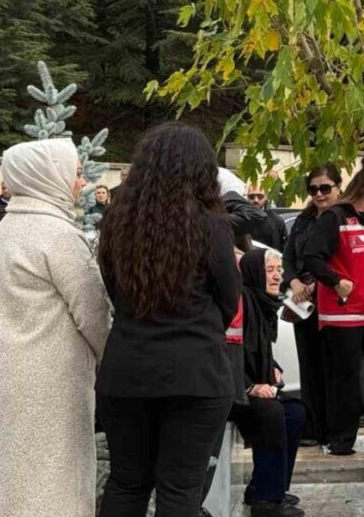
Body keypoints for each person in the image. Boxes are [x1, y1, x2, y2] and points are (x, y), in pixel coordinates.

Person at [96, 122, 242, 516]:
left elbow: (113, 292)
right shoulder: (212, 225)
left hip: (127, 370)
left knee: (127, 482)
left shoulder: (116, 224)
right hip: (196, 372)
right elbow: (229, 299)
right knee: (180, 489)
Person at [0, 140, 111, 517]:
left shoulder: (4, 233)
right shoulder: (58, 236)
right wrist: (110, 362)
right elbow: (94, 314)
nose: (81, 184)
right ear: (47, 176)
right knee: (53, 484)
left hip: (1, 378)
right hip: (49, 386)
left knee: (11, 482)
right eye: (75, 173)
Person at [303, 158, 364, 456]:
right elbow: (312, 258)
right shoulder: (334, 218)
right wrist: (335, 281)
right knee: (345, 380)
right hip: (343, 315)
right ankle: (341, 440)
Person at [231, 248, 306, 517]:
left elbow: (257, 349)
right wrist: (249, 386)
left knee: (295, 411)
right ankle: (266, 502)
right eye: (269, 271)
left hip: (250, 385)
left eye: (279, 270)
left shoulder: (262, 303)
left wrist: (272, 368)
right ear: (253, 273)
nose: (277, 277)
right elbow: (225, 351)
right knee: (272, 413)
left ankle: (265, 487)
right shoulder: (241, 303)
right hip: (230, 389)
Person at [282, 164, 342, 446]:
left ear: (338, 187)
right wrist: (294, 282)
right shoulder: (304, 221)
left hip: (332, 297)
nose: (319, 194)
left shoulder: (344, 218)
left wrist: (319, 283)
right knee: (308, 365)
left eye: (325, 188)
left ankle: (333, 428)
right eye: (314, 189)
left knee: (333, 366)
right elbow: (287, 257)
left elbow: (346, 261)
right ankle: (312, 427)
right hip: (302, 302)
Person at [248, 182, 288, 251]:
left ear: (266, 197)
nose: (256, 200)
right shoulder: (241, 219)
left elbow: (285, 248)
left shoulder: (277, 221)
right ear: (247, 198)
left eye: (260, 196)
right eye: (252, 197)